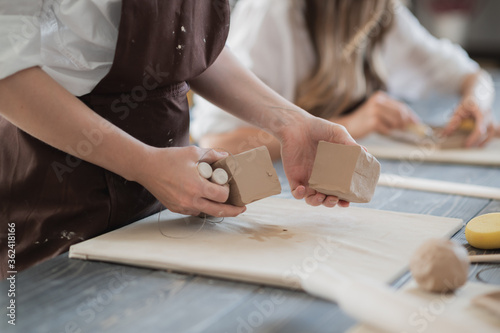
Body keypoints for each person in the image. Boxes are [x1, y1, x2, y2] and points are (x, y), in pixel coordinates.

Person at [0, 0, 360, 278]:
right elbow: (7, 70)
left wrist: (291, 122)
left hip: (170, 190)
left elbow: (186, 44)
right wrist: (141, 163)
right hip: (56, 186)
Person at [191, 0, 496, 160]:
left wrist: (475, 103)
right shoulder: (273, 13)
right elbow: (219, 143)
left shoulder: (380, 13)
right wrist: (351, 123)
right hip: (276, 190)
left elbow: (472, 75)